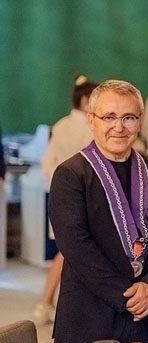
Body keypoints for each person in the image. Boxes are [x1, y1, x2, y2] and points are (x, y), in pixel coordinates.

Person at [49, 80, 148, 343]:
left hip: (142, 317)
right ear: (91, 120)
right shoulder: (71, 174)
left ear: (140, 121)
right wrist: (127, 296)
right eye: (109, 117)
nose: (119, 127)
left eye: (129, 117)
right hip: (91, 320)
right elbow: (77, 248)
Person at [34, 75, 98, 325]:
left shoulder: (60, 125)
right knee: (70, 251)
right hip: (87, 198)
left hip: (61, 197)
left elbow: (46, 163)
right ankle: (46, 302)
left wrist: (61, 184)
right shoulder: (91, 127)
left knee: (66, 250)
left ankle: (48, 303)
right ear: (85, 101)